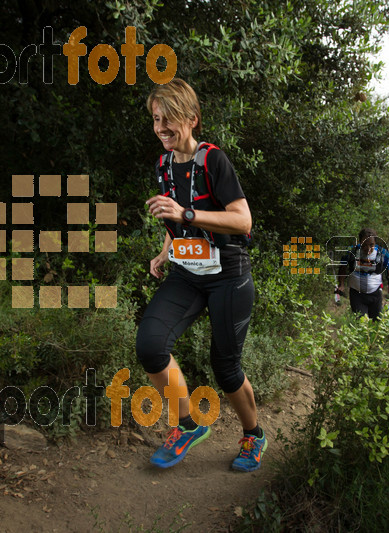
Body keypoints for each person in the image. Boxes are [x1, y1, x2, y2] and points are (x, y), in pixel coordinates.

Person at [136, 79, 266, 472]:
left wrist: (186, 215)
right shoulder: (162, 164)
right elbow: (172, 219)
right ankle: (188, 425)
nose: (160, 128)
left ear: (192, 119)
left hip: (228, 273)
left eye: (169, 119)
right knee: (150, 345)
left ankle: (253, 436)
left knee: (226, 368)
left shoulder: (213, 161)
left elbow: (242, 220)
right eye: (156, 119)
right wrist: (165, 249)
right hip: (186, 272)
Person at [336, 227, 389, 320]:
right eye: (364, 245)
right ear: (360, 242)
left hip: (375, 294)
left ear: (375, 243)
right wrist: (341, 284)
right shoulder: (351, 252)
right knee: (361, 323)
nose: (368, 249)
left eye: (371, 245)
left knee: (376, 323)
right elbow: (342, 268)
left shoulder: (382, 253)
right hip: (357, 294)